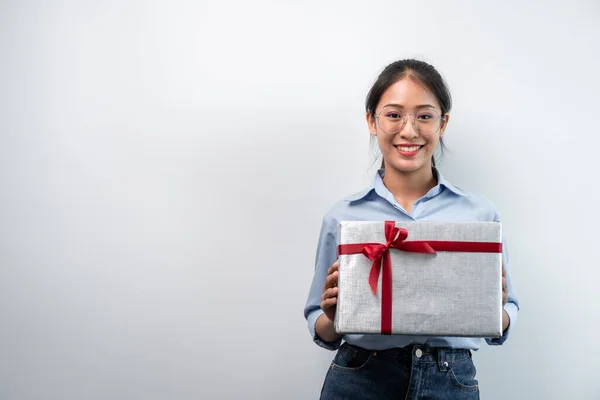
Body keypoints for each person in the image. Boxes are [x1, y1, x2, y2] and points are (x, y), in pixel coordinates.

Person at [303, 59, 519, 399]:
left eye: (424, 115)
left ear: (442, 123)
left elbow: (508, 313)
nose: (409, 130)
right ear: (371, 121)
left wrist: (497, 311)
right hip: (360, 377)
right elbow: (319, 319)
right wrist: (333, 317)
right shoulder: (342, 216)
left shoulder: (480, 214)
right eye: (393, 115)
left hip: (451, 380)